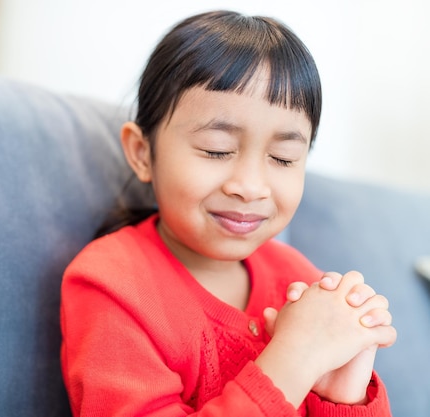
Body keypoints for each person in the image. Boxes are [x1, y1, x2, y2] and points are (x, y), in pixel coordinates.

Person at [60, 10, 397, 416]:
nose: (251, 186)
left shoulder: (299, 281)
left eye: (283, 157)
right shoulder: (111, 281)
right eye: (216, 150)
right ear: (142, 153)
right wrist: (293, 361)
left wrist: (342, 395)